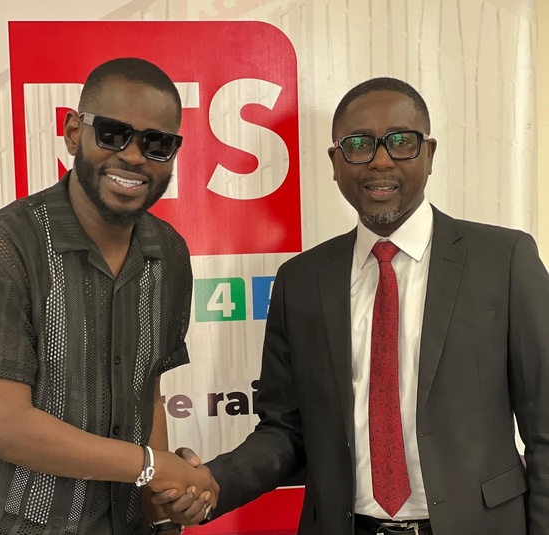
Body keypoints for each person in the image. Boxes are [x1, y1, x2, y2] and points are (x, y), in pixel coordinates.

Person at [153, 77, 549, 534]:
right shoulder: (301, 281)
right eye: (358, 145)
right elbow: (286, 431)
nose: (380, 160)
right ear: (335, 162)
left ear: (429, 154)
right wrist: (212, 484)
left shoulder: (504, 260)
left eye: (401, 142)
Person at [0, 57, 218, 535]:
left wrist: (162, 497)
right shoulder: (4, 246)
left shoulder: (168, 251)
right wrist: (150, 465)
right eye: (113, 133)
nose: (134, 157)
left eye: (156, 143)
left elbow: (147, 393)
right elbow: (0, 427)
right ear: (73, 133)